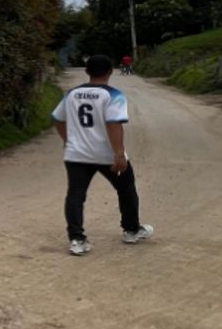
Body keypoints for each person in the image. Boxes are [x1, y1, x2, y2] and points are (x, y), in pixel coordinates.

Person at [50, 54, 153, 256]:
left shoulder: (72, 94)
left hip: (77, 153)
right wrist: (119, 153)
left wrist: (68, 140)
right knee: (126, 188)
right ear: (110, 72)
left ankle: (77, 240)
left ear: (86, 71)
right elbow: (114, 124)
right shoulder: (113, 95)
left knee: (75, 195)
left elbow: (58, 119)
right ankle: (131, 230)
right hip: (105, 154)